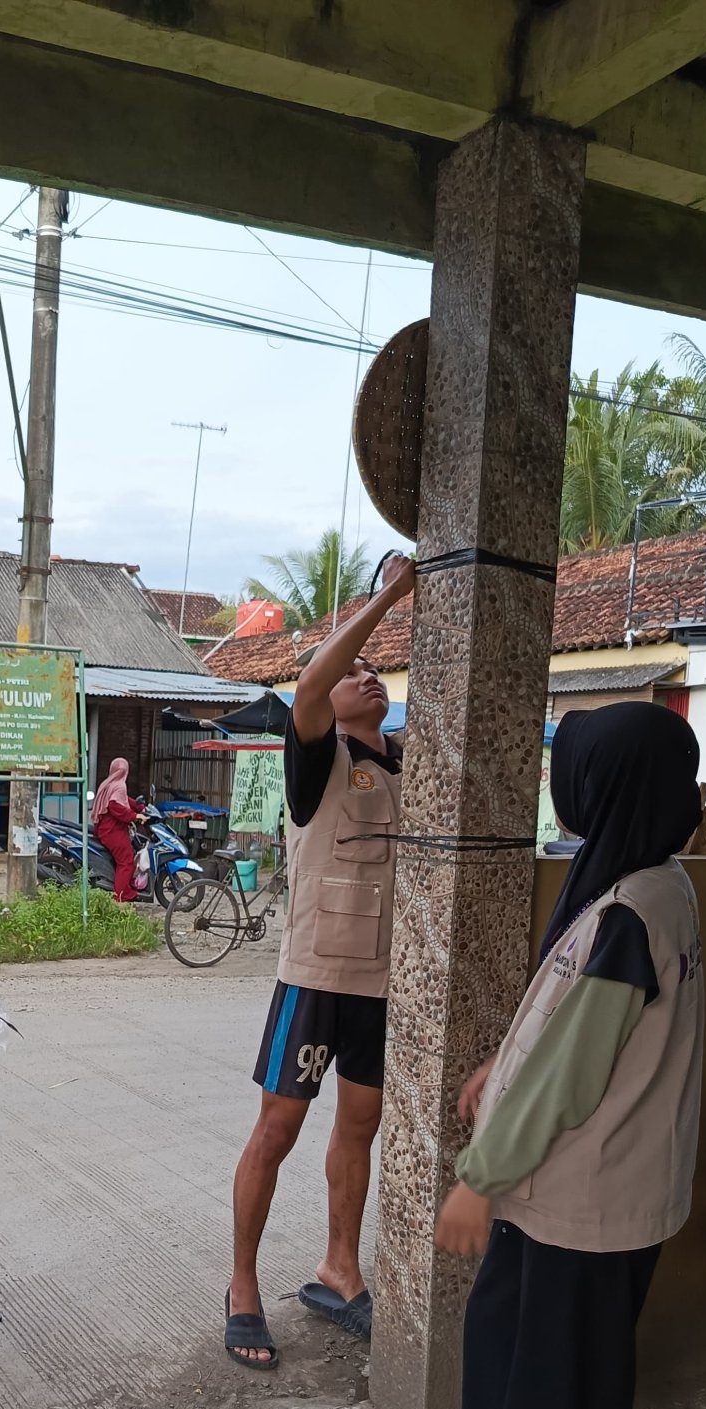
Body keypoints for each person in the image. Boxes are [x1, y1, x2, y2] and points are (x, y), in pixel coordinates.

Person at [436, 701, 705, 1409]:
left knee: (537, 1394)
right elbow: (572, 1034)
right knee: (573, 1386)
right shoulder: (657, 882)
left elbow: (569, 1075)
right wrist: (494, 1070)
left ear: (608, 786)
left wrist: (480, 1178)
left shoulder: (629, 910)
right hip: (614, 1198)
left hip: (573, 1206)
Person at [225, 554, 416, 1368]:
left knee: (362, 1124)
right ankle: (241, 1287)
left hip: (384, 982)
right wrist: (386, 601)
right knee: (279, 1128)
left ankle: (340, 1269)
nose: (366, 678)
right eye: (355, 671)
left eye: (378, 673)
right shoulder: (316, 754)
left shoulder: (410, 762)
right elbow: (312, 686)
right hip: (314, 978)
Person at [91, 757, 143, 902]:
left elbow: (124, 800)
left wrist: (140, 807)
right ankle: (121, 895)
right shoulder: (119, 786)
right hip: (113, 831)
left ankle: (125, 887)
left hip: (105, 828)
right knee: (126, 862)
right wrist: (135, 815)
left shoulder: (109, 783)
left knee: (124, 859)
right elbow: (117, 807)